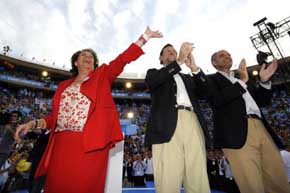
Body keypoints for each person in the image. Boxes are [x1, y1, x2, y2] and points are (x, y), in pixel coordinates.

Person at [14, 26, 163, 193]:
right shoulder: (63, 86)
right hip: (61, 144)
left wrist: (145, 37)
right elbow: (53, 118)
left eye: (91, 56)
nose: (88, 57)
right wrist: (33, 123)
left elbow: (122, 59)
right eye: (83, 54)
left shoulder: (102, 76)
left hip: (90, 144)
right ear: (75, 62)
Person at [192, 49, 290, 193]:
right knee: (251, 184)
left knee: (278, 179)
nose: (227, 57)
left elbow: (262, 101)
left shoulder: (240, 80)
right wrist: (242, 82)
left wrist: (264, 81)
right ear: (214, 63)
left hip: (262, 128)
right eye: (222, 55)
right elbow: (217, 100)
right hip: (236, 134)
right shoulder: (213, 80)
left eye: (229, 55)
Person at [145, 43, 211, 193]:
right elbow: (152, 82)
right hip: (166, 124)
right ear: (161, 58)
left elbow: (206, 92)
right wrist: (179, 61)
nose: (172, 52)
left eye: (174, 51)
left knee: (197, 173)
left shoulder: (188, 78)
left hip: (193, 120)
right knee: (168, 175)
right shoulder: (154, 73)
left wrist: (194, 68)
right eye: (167, 52)